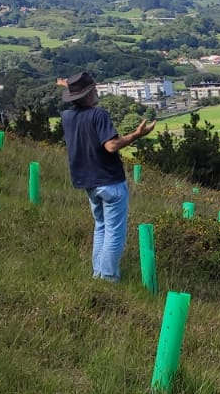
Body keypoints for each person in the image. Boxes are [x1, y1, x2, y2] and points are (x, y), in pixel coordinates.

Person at [58, 72, 155, 281]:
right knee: (114, 233)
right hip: (110, 180)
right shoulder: (98, 115)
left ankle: (98, 274)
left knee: (100, 227)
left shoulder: (67, 117)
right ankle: (108, 277)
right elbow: (111, 145)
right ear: (90, 93)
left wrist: (67, 84)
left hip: (87, 181)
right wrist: (136, 135)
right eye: (93, 89)